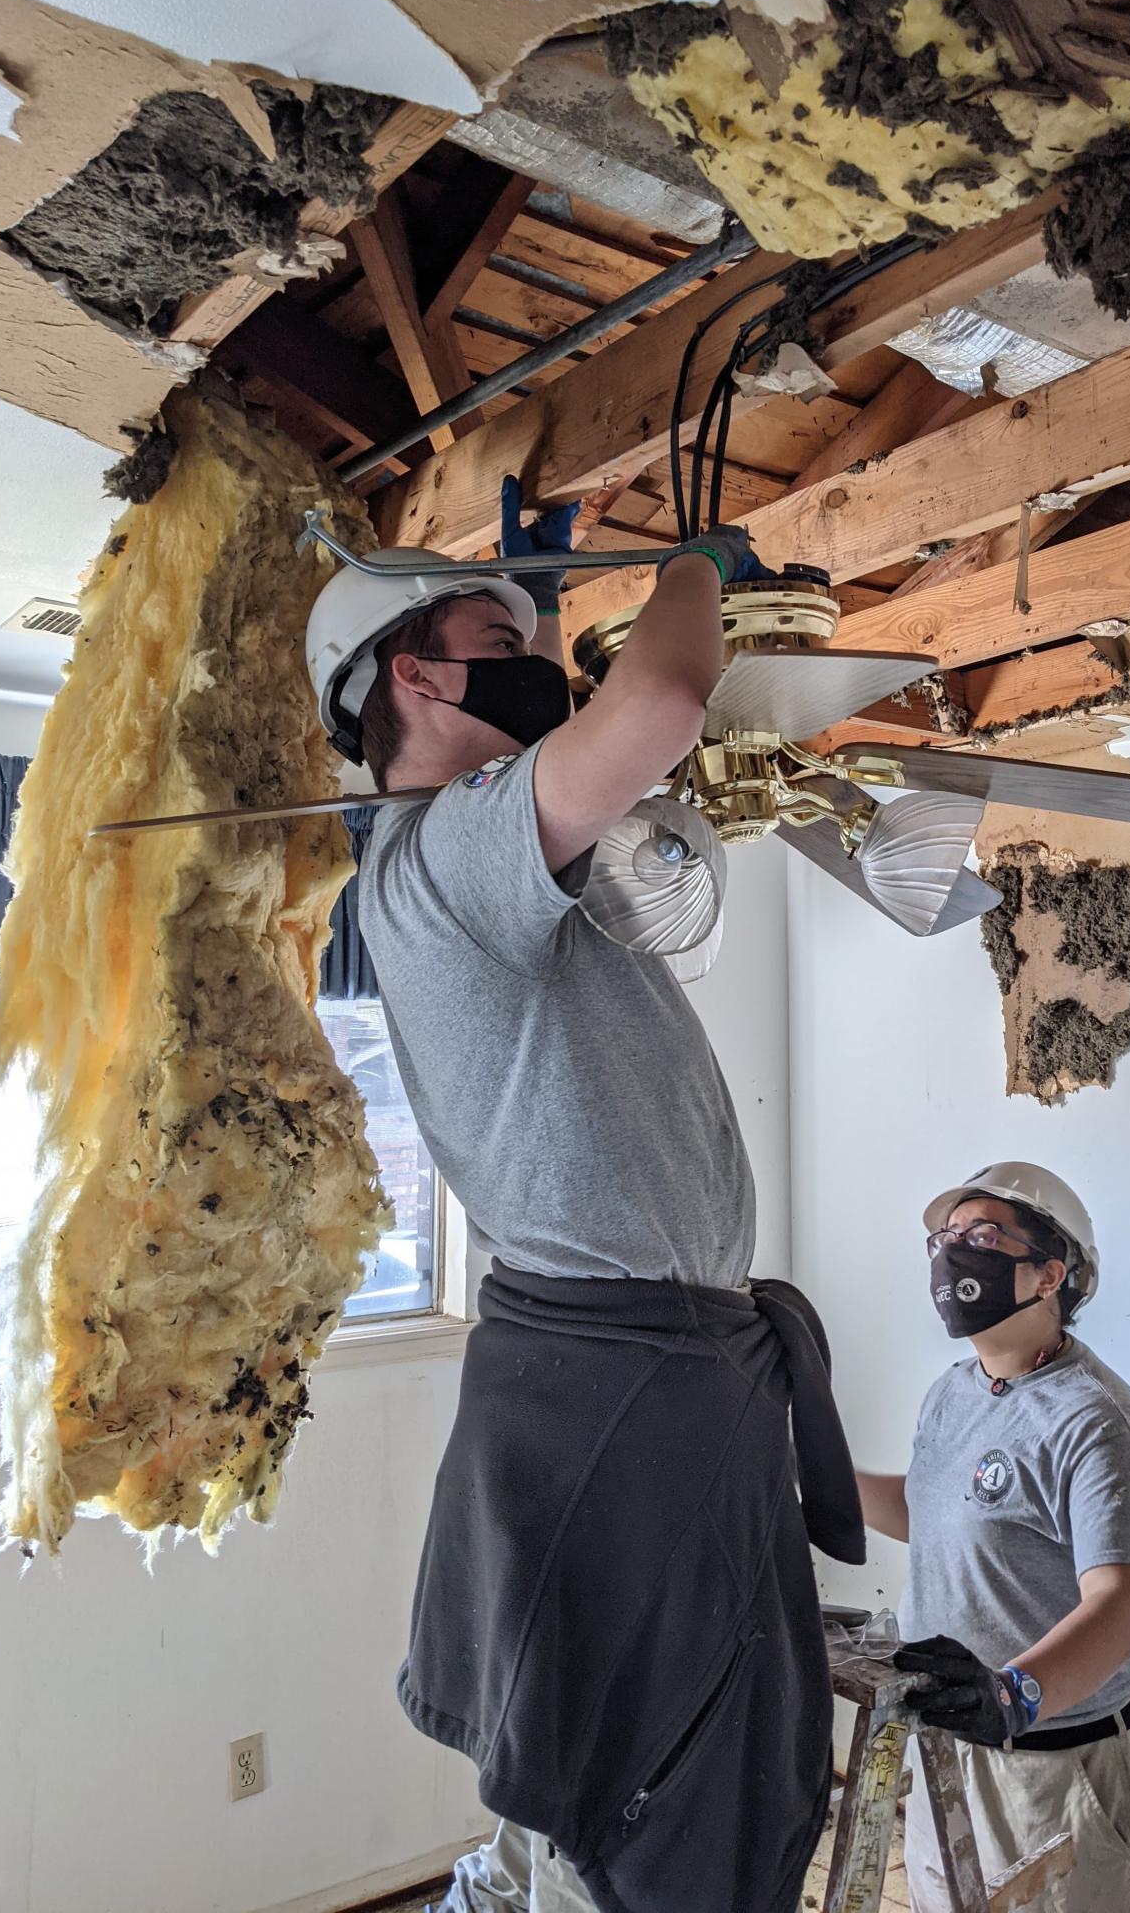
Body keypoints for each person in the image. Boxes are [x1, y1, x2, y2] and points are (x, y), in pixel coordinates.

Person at [304, 481, 864, 1913]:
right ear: (417, 678)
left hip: (653, 1370)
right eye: (499, 640)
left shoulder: (497, 864)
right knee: (667, 1792)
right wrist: (690, 564)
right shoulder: (442, 857)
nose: (538, 661)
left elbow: (622, 751)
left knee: (696, 1769)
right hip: (628, 1381)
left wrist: (537, 592)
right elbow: (666, 697)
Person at [856, 1163, 1130, 1913]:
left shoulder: (1100, 1424)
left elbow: (1122, 1609)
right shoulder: (954, 1391)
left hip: (1064, 1771)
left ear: (1049, 1275)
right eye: (943, 1238)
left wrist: (1013, 1695)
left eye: (980, 1235)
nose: (950, 1253)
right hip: (958, 1744)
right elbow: (932, 1512)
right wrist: (814, 1484)